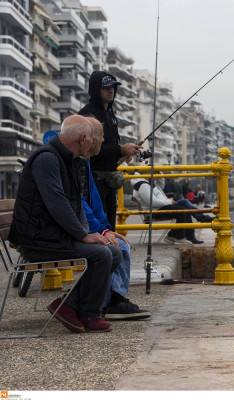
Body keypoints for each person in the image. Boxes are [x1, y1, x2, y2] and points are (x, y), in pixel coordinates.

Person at [9, 115, 121, 333]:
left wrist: (94, 233)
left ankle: (69, 305)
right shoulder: (47, 159)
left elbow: (74, 204)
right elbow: (56, 202)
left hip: (52, 235)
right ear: (82, 138)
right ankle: (89, 313)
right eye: (91, 139)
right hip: (38, 241)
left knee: (112, 252)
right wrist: (83, 235)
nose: (92, 143)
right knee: (102, 254)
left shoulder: (66, 160)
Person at [82, 117, 150, 320]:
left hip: (85, 226)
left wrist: (105, 228)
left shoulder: (83, 164)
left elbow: (94, 204)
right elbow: (76, 205)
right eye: (101, 137)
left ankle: (113, 300)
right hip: (64, 234)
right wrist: (97, 231)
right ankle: (102, 304)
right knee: (114, 249)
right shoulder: (72, 164)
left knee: (119, 243)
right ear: (88, 139)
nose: (103, 141)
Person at [78, 71, 141, 231]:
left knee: (110, 227)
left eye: (113, 87)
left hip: (110, 180)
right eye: (105, 87)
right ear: (95, 90)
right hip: (94, 180)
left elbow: (111, 146)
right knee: (99, 226)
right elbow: (91, 149)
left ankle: (112, 254)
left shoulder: (111, 114)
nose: (111, 90)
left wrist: (124, 153)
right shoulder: (87, 114)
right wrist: (120, 149)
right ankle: (101, 255)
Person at [131, 175, 203, 245]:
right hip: (154, 211)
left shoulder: (151, 183)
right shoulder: (143, 185)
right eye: (156, 173)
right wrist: (169, 201)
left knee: (185, 206)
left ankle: (189, 236)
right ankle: (177, 236)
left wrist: (159, 172)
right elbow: (152, 202)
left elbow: (162, 184)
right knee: (182, 211)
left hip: (161, 206)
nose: (157, 175)